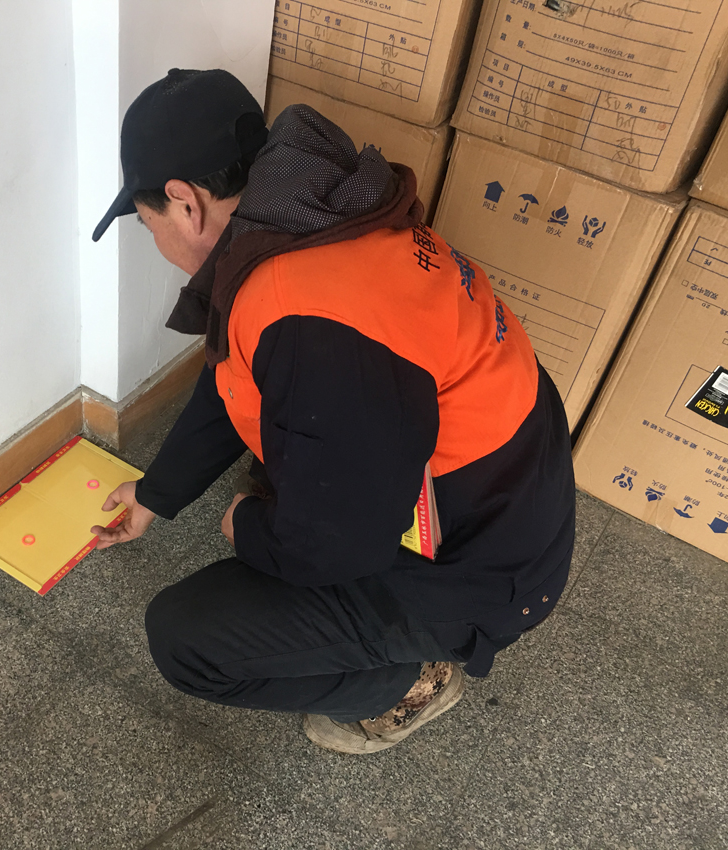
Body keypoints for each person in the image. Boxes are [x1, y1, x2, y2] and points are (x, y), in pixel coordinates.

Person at [89, 68, 576, 755]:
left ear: (184, 203)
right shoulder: (304, 220)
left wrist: (248, 526)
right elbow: (233, 376)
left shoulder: (306, 322)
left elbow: (334, 547)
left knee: (186, 638)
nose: (156, 240)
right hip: (504, 482)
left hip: (486, 565)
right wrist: (157, 494)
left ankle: (407, 684)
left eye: (147, 225)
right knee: (292, 482)